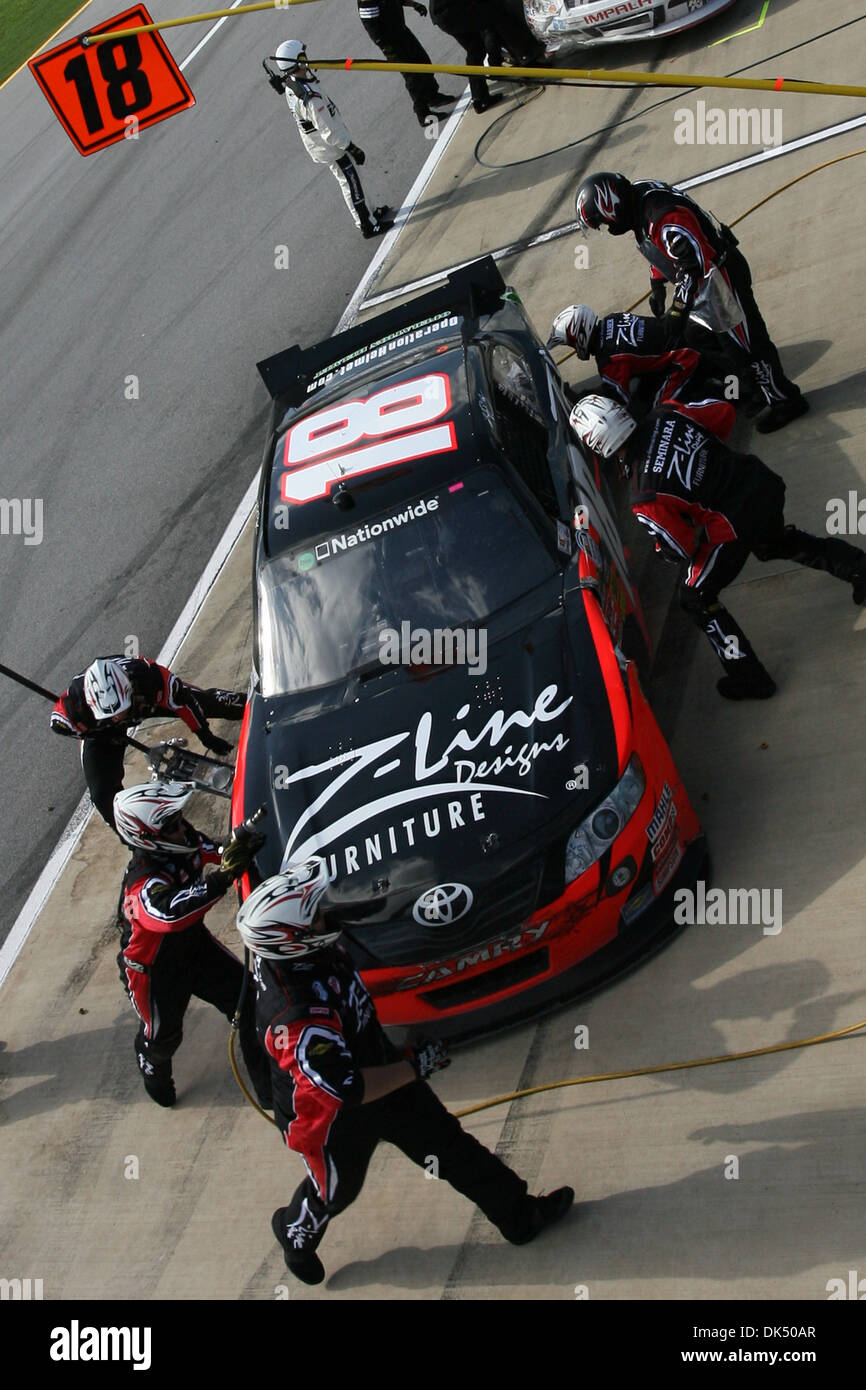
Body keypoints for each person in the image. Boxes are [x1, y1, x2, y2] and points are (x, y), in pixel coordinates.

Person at [236, 861, 574, 1285]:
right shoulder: (298, 1018)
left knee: (450, 1146)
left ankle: (521, 1216)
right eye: (316, 912)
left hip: (379, 1070)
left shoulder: (309, 949)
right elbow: (349, 1089)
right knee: (335, 1192)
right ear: (292, 938)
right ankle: (294, 1232)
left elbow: (362, 909)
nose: (326, 912)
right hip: (332, 1119)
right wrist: (415, 1067)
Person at [569, 394, 866, 700]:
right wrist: (710, 465)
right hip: (761, 482)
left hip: (733, 523)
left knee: (695, 596)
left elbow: (679, 547)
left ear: (595, 445)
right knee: (778, 541)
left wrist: (670, 538)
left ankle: (750, 677)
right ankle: (860, 568)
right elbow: (724, 412)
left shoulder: (644, 496)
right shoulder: (667, 412)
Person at [572, 172, 808, 435]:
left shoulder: (661, 216)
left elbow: (693, 265)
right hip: (705, 288)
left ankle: (786, 401)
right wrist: (658, 284)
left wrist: (677, 310)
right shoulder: (638, 202)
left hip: (721, 280)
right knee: (701, 339)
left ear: (610, 205)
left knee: (748, 346)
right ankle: (752, 390)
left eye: (602, 222)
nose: (606, 228)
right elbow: (661, 249)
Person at [115, 781, 271, 1109]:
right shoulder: (142, 883)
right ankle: (151, 1065)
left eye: (180, 817)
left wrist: (241, 841)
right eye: (170, 824)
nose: (182, 828)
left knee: (248, 1003)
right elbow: (168, 915)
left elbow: (215, 849)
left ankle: (268, 1088)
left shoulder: (184, 840)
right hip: (155, 973)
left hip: (195, 947)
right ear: (147, 837)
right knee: (164, 1037)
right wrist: (222, 878)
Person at [50, 655, 244, 829]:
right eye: (113, 715)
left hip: (144, 704)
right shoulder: (72, 709)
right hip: (102, 732)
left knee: (211, 702)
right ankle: (137, 840)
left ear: (129, 687)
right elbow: (58, 725)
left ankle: (256, 703)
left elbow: (185, 703)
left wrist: (205, 736)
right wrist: (98, 735)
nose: (119, 717)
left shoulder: (151, 677)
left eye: (121, 711)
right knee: (102, 796)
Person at [547, 303, 735, 440]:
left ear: (580, 335)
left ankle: (716, 399)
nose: (573, 347)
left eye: (571, 343)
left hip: (683, 361)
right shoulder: (612, 319)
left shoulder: (610, 360)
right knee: (643, 395)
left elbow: (618, 402)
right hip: (680, 345)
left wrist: (581, 398)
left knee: (660, 415)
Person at [270, 40, 393, 238]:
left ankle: (370, 213)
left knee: (356, 181)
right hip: (332, 147)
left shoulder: (294, 84)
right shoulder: (310, 97)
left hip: (325, 145)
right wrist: (351, 147)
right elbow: (328, 129)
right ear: (298, 61)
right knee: (351, 183)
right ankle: (368, 225)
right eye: (303, 56)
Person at [429, 0, 544, 113]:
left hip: (443, 16)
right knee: (498, 13)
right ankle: (526, 61)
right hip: (454, 10)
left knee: (475, 50)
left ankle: (480, 98)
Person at [355, 1, 457, 127]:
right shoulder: (367, 1)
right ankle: (423, 114)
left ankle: (432, 96)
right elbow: (372, 27)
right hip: (391, 43)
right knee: (413, 76)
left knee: (423, 61)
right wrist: (388, 50)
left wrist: (414, 5)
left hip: (401, 31)